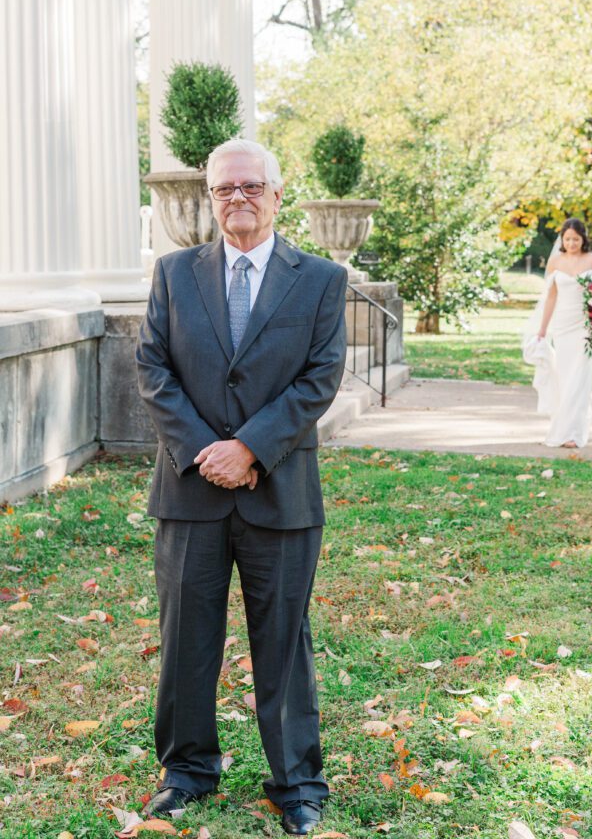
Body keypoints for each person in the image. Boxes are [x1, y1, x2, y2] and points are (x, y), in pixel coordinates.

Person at [135, 139, 347, 835]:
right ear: (210, 197)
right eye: (225, 189)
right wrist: (207, 452)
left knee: (283, 641)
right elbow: (153, 368)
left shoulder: (318, 279)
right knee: (186, 638)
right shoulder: (173, 273)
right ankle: (189, 770)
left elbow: (319, 376)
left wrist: (251, 448)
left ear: (278, 194)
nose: (238, 198)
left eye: (252, 186)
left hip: (280, 491)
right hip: (190, 492)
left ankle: (295, 783)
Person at [523, 218, 592, 448]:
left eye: (575, 239)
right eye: (567, 239)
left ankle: (573, 433)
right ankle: (563, 426)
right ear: (562, 239)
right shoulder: (556, 262)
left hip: (587, 326)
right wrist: (542, 329)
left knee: (580, 378)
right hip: (563, 326)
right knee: (565, 377)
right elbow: (551, 297)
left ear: (583, 239)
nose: (571, 243)